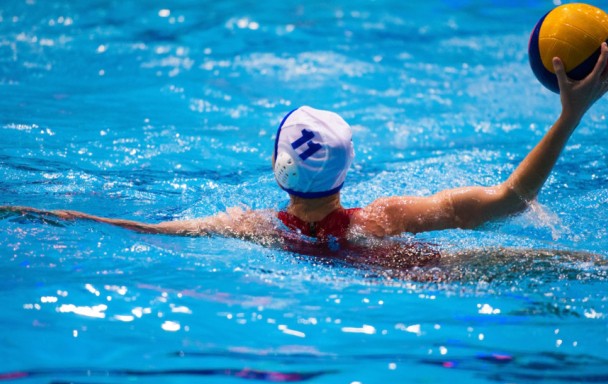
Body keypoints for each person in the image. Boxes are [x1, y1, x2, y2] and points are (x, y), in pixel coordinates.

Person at [3, 44, 608, 273]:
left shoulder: (250, 229)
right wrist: (569, 116)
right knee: (545, 260)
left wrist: (38, 211)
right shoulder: (387, 219)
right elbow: (510, 199)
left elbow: (136, 228)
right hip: (422, 270)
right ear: (348, 171)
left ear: (278, 168)